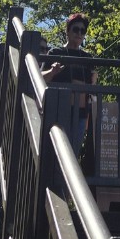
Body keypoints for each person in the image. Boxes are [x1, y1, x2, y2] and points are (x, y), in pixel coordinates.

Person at [45, 13, 97, 156]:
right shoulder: (56, 52)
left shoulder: (87, 57)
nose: (79, 33)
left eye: (83, 31)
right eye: (76, 29)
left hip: (80, 114)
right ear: (67, 31)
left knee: (73, 154)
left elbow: (91, 88)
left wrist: (94, 80)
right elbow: (39, 77)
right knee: (56, 152)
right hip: (59, 111)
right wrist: (52, 71)